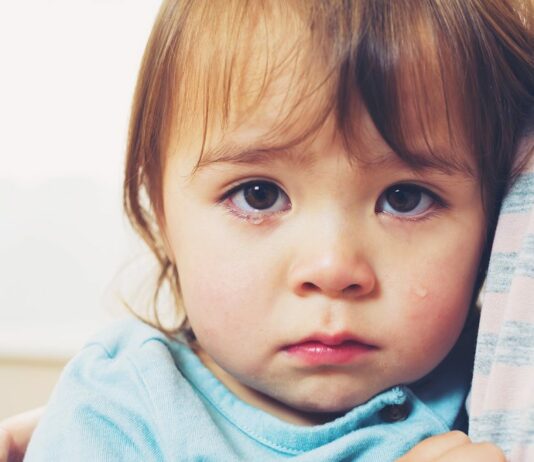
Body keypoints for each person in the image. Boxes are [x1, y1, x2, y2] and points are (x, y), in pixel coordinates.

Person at [20, 0, 533, 460]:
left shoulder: (495, 379)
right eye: (258, 195)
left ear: (493, 221)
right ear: (160, 209)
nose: (333, 269)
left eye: (404, 198)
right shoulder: (118, 411)